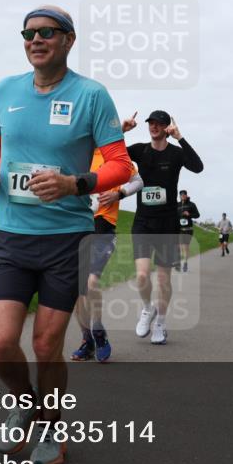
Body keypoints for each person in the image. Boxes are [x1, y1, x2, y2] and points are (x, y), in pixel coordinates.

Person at [0, 5, 132, 464]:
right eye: (28, 33)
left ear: (68, 40)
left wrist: (74, 183)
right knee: (1, 341)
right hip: (10, 235)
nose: (35, 39)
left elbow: (121, 165)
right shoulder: (5, 90)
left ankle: (52, 426)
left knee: (46, 345)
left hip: (66, 238)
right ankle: (29, 405)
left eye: (47, 32)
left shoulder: (92, 95)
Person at [123, 110, 203, 345]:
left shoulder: (176, 154)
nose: (153, 127)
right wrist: (121, 131)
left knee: (164, 281)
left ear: (167, 127)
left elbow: (198, 167)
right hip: (143, 222)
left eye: (159, 124)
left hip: (167, 224)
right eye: (151, 123)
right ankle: (148, 309)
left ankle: (161, 323)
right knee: (141, 276)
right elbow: (109, 155)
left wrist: (180, 137)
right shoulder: (139, 150)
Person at [71, 151, 143, 362]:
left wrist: (118, 194)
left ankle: (99, 333)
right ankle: (87, 340)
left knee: (91, 282)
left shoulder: (115, 155)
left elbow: (138, 181)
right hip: (76, 228)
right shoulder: (79, 150)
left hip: (103, 228)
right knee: (77, 289)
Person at [176, 190, 200, 272]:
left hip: (188, 229)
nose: (182, 196)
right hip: (179, 229)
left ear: (186, 195)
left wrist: (189, 214)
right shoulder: (177, 205)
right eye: (181, 195)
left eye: (184, 194)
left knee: (185, 247)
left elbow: (197, 215)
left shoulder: (191, 204)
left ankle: (185, 263)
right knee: (178, 247)